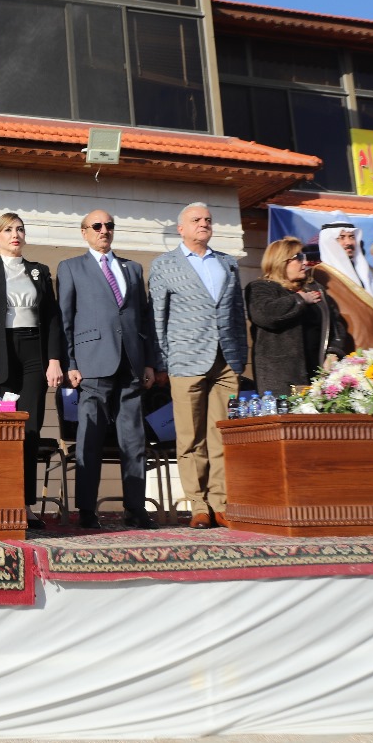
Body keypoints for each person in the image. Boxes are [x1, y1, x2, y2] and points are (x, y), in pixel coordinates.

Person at [57, 209, 158, 530]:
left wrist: (149, 362)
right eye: (97, 226)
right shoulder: (71, 267)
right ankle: (87, 510)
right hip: (92, 364)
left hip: (131, 364)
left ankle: (136, 509)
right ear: (84, 232)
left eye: (109, 225)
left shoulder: (132, 268)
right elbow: (65, 320)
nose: (104, 230)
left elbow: (144, 320)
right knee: (90, 439)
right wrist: (70, 363)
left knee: (134, 441)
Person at [148, 202, 247, 529]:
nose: (203, 223)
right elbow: (157, 317)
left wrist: (240, 358)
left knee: (222, 435)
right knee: (191, 437)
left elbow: (237, 313)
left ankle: (220, 503)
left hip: (226, 361)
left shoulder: (227, 263)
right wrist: (160, 361)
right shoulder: (165, 264)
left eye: (207, 219)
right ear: (181, 228)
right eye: (196, 220)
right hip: (185, 359)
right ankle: (199, 505)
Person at [0, 213, 63, 531]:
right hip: (0, 358)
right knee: (2, 430)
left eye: (20, 229)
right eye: (8, 230)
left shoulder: (39, 271)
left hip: (34, 356)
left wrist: (54, 359)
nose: (15, 234)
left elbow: (52, 319)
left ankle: (24, 505)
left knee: (30, 431)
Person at [245, 237, 350, 396]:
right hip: (281, 380)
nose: (305, 263)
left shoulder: (315, 289)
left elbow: (336, 325)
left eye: (305, 257)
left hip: (319, 376)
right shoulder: (261, 288)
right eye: (299, 258)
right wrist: (300, 300)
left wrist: (334, 352)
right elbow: (266, 314)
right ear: (281, 261)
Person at [309, 221, 373, 352]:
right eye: (341, 237)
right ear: (329, 242)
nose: (349, 242)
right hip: (344, 353)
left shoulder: (372, 274)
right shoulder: (317, 275)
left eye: (351, 237)